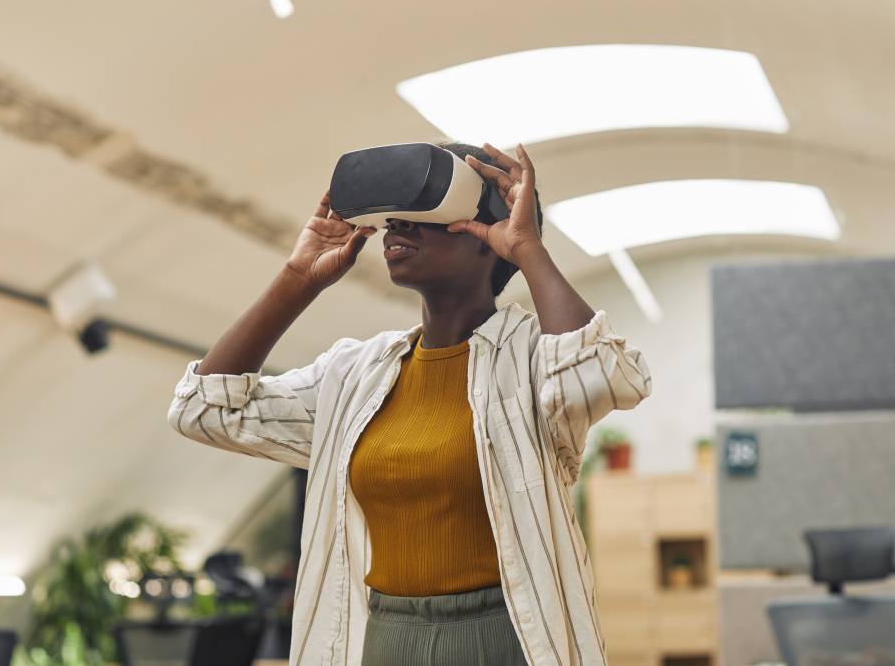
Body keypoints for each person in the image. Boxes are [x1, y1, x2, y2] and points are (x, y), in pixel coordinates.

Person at [168, 142, 652, 666]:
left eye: (425, 217)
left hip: (505, 635)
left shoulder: (530, 358)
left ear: (488, 238)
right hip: (387, 637)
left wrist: (529, 248)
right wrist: (298, 279)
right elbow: (205, 409)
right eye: (394, 220)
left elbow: (599, 375)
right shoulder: (357, 375)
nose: (399, 229)